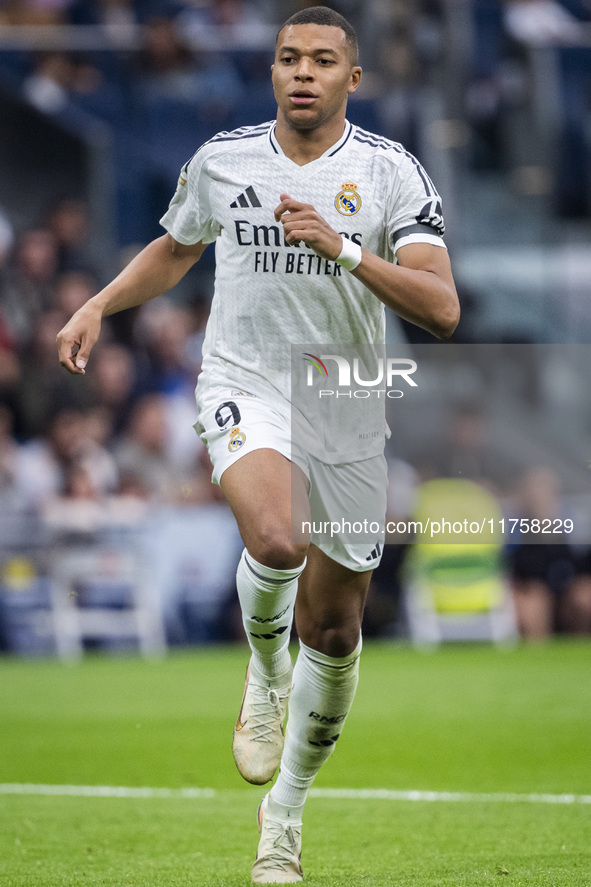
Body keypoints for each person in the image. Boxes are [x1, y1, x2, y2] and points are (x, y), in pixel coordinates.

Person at [57, 6, 459, 882]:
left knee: (340, 626)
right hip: (244, 379)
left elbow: (440, 308)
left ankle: (285, 813)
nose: (301, 72)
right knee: (277, 539)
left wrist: (346, 250)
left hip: (346, 402)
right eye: (287, 58)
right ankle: (265, 672)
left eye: (321, 60)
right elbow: (174, 248)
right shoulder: (223, 158)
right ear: (271, 71)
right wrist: (97, 303)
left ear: (353, 78)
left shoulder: (390, 173)